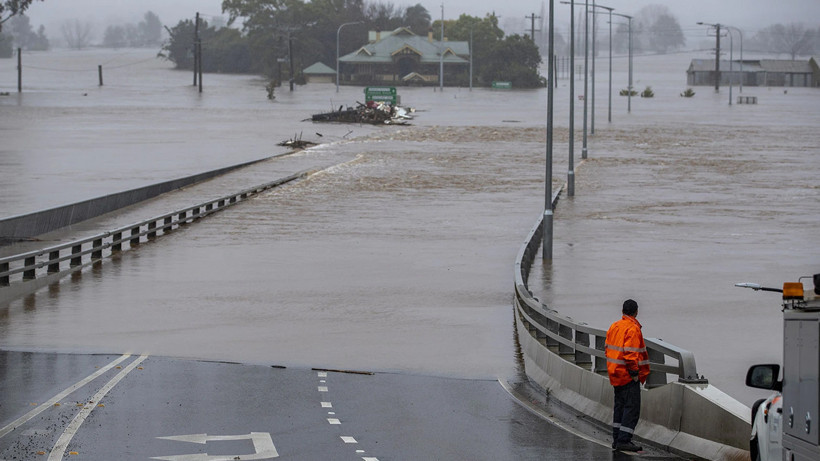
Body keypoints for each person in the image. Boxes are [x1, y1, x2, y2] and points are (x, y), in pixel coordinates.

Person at [605, 299, 650, 452]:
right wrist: (635, 373)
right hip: (627, 375)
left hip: (615, 374)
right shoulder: (632, 329)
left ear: (623, 311)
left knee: (619, 407)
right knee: (631, 408)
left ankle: (617, 439)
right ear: (636, 312)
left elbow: (607, 349)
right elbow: (631, 354)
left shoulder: (614, 326)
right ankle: (624, 440)